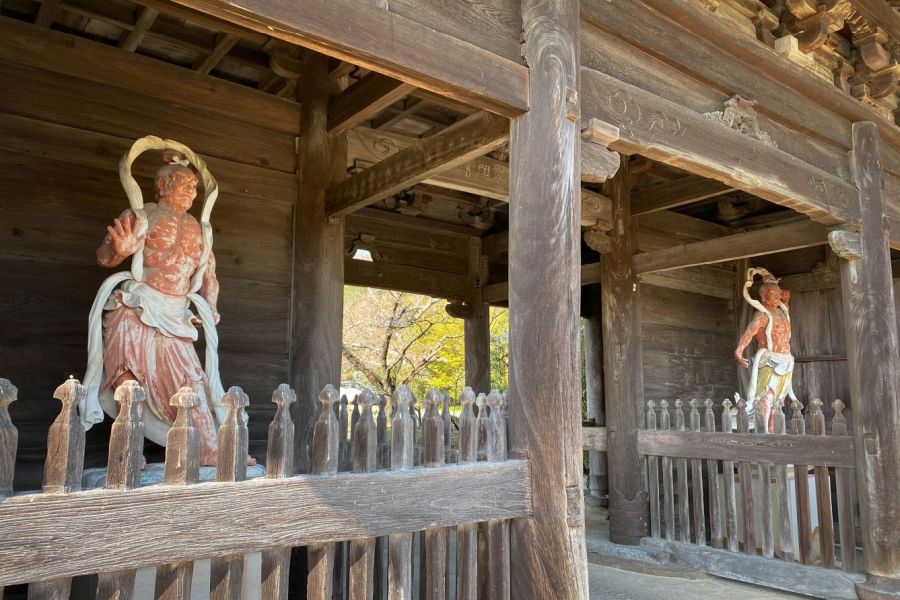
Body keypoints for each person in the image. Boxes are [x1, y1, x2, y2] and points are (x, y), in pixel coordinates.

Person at [85, 151, 224, 465]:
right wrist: (119, 251)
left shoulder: (200, 229)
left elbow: (209, 276)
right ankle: (127, 449)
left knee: (192, 381)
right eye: (183, 184)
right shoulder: (143, 214)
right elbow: (104, 256)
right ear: (163, 185)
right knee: (128, 379)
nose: (190, 192)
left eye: (194, 187)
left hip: (176, 312)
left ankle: (209, 449)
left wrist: (212, 307)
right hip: (136, 305)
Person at [734, 268, 797, 433]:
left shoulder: (782, 312)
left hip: (785, 360)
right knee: (766, 397)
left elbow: (784, 331)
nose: (777, 298)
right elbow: (749, 333)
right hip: (769, 361)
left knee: (779, 399)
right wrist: (739, 351)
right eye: (773, 295)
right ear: (763, 297)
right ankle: (764, 432)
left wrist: (786, 302)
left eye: (779, 294)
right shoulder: (761, 316)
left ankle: (772, 430)